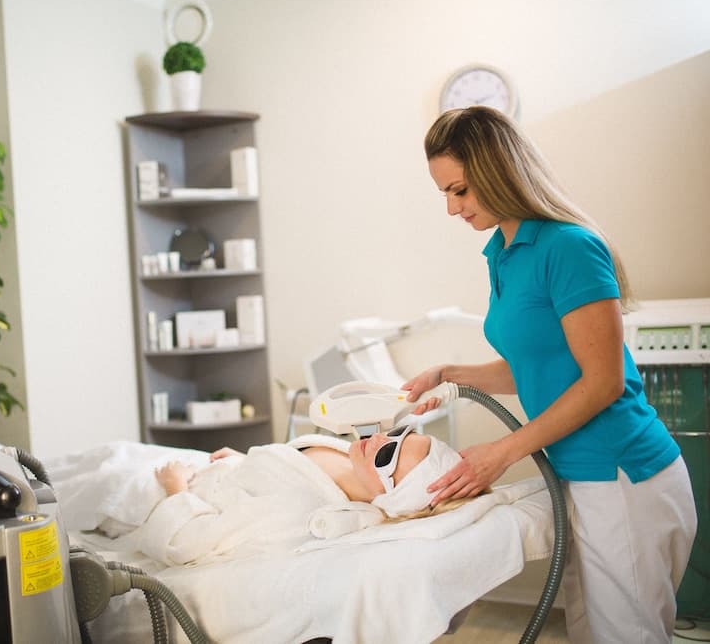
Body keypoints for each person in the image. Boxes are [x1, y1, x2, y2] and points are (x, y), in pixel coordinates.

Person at [404, 105, 697, 643]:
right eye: (444, 193)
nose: (451, 208)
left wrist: (502, 452)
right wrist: (447, 374)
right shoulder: (504, 252)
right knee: (587, 631)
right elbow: (538, 366)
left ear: (497, 171)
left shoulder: (568, 247)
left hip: (621, 476)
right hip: (577, 477)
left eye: (460, 190)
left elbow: (602, 381)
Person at [133, 426, 466, 566]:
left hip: (169, 493)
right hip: (210, 466)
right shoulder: (351, 463)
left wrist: (175, 487)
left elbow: (188, 543)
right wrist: (246, 463)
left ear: (387, 498)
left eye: (387, 456)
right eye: (399, 434)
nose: (380, 438)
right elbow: (279, 472)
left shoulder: (302, 509)